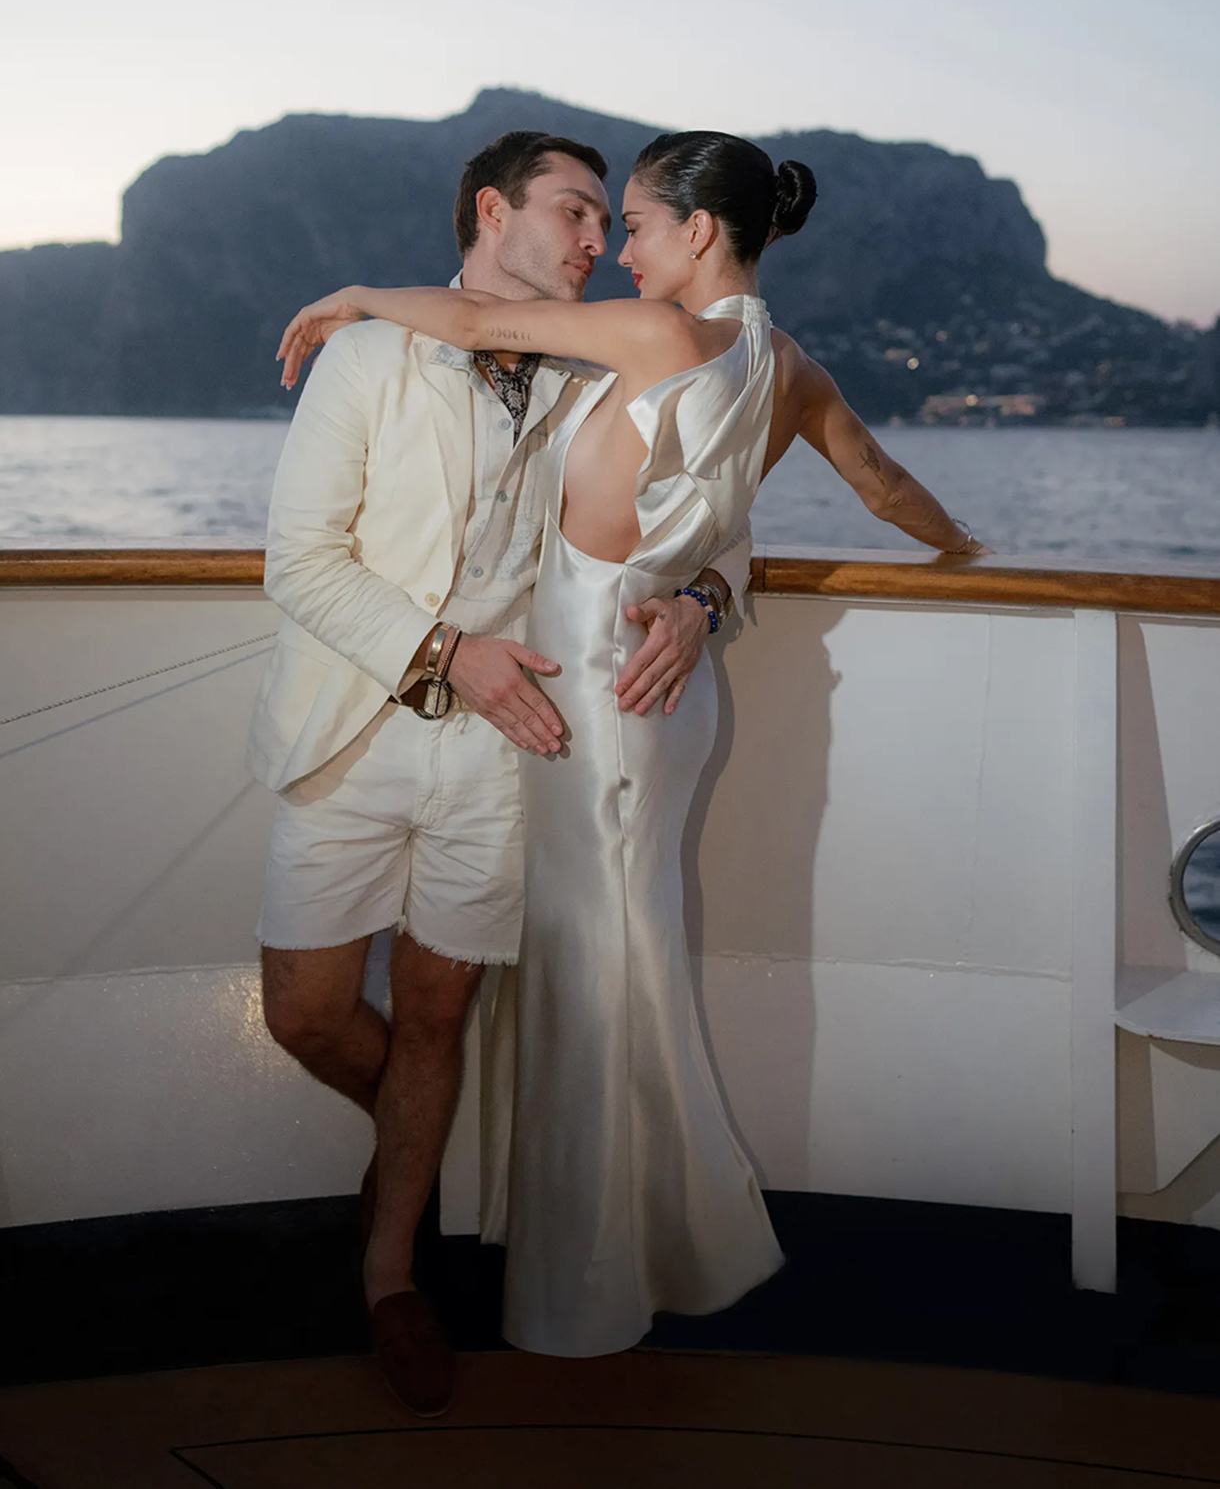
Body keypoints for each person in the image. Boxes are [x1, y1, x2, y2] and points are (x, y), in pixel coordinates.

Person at [278, 129, 986, 1359]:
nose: (612, 246)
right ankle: (580, 1215)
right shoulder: (779, 362)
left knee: (573, 983)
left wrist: (355, 292)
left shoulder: (639, 338)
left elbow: (478, 331)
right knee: (577, 972)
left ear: (696, 232)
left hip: (572, 708)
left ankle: (544, 1277)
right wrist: (967, 551)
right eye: (587, 217)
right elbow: (873, 482)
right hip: (568, 702)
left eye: (633, 223)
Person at [246, 130, 747, 1416]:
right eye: (574, 212)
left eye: (606, 221)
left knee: (435, 1018)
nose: (597, 242)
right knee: (303, 1013)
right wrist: (445, 652)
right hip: (353, 726)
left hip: (509, 749)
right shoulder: (369, 355)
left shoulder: (607, 367)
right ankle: (410, 1157)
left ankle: (390, 1276)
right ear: (491, 211)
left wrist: (698, 600)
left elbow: (714, 521)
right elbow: (299, 560)